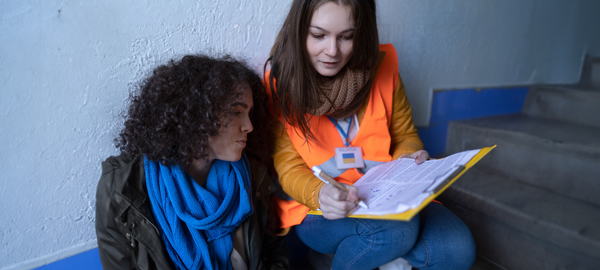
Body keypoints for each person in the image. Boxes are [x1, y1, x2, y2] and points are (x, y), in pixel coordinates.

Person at [264, 0, 476, 269]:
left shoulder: (382, 68)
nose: (332, 51)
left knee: (457, 249)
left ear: (361, 34)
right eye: (318, 35)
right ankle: (370, 253)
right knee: (393, 232)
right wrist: (321, 195)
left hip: (390, 197)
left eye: (347, 37)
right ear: (299, 31)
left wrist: (409, 159)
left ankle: (371, 254)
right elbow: (289, 168)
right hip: (321, 207)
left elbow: (405, 135)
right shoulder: (278, 86)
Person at [95, 54, 289, 270]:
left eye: (250, 113)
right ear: (197, 114)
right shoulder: (122, 188)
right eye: (236, 112)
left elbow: (274, 253)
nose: (249, 126)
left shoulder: (254, 174)